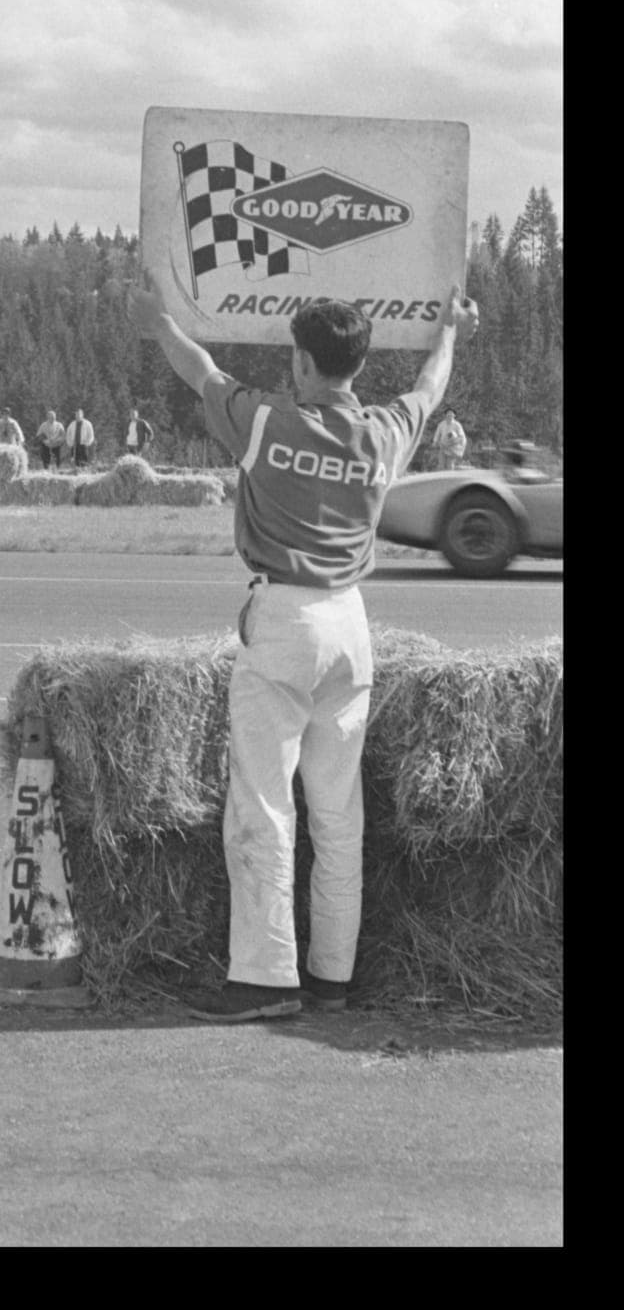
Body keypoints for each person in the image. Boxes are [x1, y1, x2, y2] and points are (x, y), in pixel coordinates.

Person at [130, 274, 479, 1023]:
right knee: (338, 813)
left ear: (302, 362)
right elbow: (429, 385)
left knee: (262, 805)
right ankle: (331, 976)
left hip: (285, 617)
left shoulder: (265, 424)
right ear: (354, 364)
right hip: (352, 624)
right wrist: (450, 328)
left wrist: (158, 320)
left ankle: (264, 978)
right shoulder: (384, 432)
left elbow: (201, 369)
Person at [430, 406, 467, 471]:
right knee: (441, 465)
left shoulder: (457, 425)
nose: (450, 415)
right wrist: (435, 442)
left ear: (454, 415)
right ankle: (441, 479)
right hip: (443, 446)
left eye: (451, 413)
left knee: (450, 465)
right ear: (445, 415)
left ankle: (450, 479)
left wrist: (459, 446)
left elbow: (461, 437)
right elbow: (437, 434)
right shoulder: (441, 424)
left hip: (452, 447)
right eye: (448, 413)